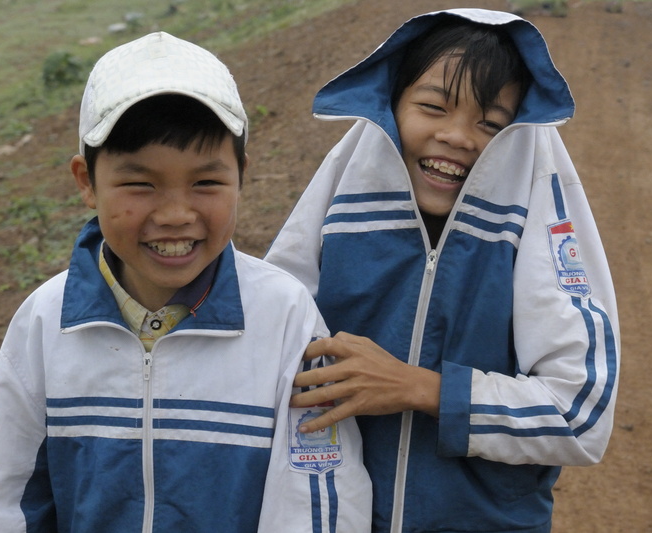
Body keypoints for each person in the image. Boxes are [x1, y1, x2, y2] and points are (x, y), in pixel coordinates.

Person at [0, 31, 371, 532]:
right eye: (140, 184)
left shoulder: (286, 318)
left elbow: (318, 496)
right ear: (86, 181)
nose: (175, 214)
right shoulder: (44, 322)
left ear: (242, 175)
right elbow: (13, 496)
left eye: (205, 183)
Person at [265, 8, 619, 533]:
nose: (457, 137)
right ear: (390, 106)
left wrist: (423, 389)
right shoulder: (339, 211)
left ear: (520, 134)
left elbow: (580, 415)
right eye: (433, 107)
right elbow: (267, 354)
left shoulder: (533, 231)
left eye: (491, 124)